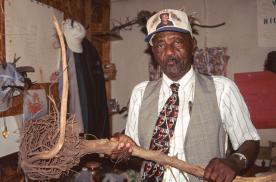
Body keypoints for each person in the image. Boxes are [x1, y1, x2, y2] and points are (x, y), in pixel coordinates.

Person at [111, 9, 260, 182]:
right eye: (160, 45)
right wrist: (123, 150)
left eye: (177, 42)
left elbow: (250, 141)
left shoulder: (222, 89)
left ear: (193, 44)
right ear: (153, 52)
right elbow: (137, 158)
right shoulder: (140, 93)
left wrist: (234, 162)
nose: (169, 52)